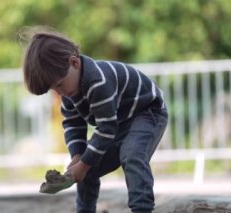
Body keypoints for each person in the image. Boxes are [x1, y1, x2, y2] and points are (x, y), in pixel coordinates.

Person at [21, 28, 168, 213]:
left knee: (131, 154)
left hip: (146, 112)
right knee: (86, 169)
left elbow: (106, 129)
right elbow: (73, 125)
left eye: (59, 84)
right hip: (118, 122)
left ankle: (142, 208)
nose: (59, 92)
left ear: (74, 62)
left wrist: (83, 164)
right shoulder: (69, 92)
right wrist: (77, 158)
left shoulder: (98, 82)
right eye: (53, 88)